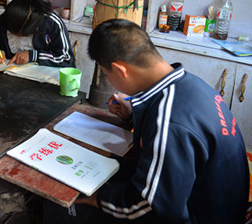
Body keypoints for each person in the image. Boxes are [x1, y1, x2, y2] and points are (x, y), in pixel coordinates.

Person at [45, 18, 249, 223]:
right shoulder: (189, 84)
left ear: (120, 70)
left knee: (81, 204)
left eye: (107, 74)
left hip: (200, 215)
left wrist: (97, 199)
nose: (109, 80)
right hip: (221, 204)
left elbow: (153, 207)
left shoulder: (169, 124)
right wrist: (134, 114)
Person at [0, 0, 75, 67]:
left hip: (44, 75)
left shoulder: (51, 23)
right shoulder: (3, 20)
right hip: (10, 71)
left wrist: (34, 56)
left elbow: (66, 59)